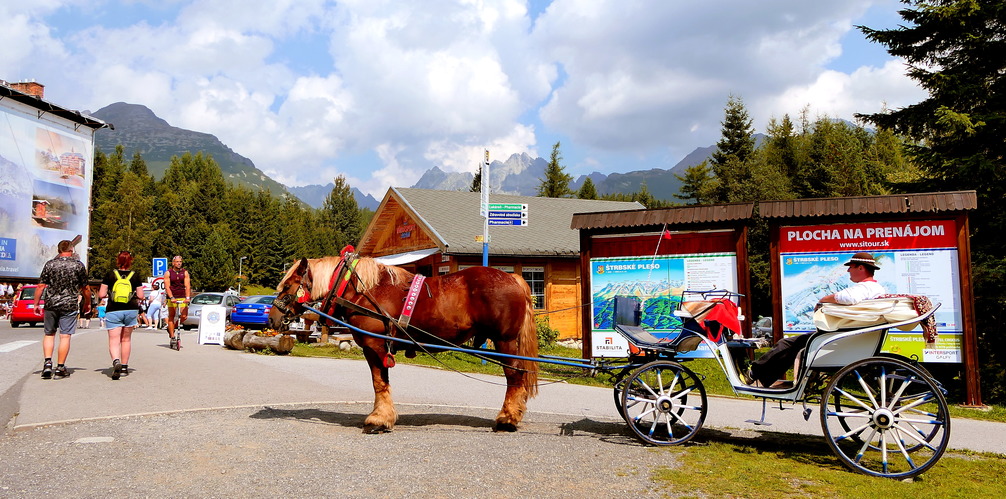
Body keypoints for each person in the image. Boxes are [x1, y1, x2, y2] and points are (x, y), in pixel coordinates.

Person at [748, 252, 887, 388]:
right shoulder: (878, 288)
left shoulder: (864, 287)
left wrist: (823, 300)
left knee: (786, 344)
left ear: (861, 268)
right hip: (853, 335)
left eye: (851, 266)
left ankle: (754, 373)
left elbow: (848, 298)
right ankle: (765, 379)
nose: (848, 270)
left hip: (841, 337)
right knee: (794, 344)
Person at [34, 239, 89, 379]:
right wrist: (87, 302)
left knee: (49, 334)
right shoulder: (78, 265)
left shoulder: (50, 264)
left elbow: (41, 286)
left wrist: (36, 304)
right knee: (65, 336)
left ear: (58, 250)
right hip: (69, 304)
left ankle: (47, 363)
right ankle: (60, 367)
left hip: (51, 304)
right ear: (72, 250)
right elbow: (85, 288)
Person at [98, 251, 145, 380]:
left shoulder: (110, 274)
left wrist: (110, 294)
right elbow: (141, 296)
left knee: (114, 340)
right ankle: (124, 367)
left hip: (113, 309)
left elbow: (101, 294)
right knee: (126, 339)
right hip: (130, 309)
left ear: (118, 260)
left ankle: (116, 361)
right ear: (130, 261)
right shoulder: (135, 276)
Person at [163, 255, 191, 350]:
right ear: (173, 263)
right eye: (177, 262)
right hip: (172, 296)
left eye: (180, 262)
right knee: (172, 315)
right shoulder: (168, 273)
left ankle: (171, 327)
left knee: (184, 316)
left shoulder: (185, 272)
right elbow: (167, 287)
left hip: (182, 295)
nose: (179, 263)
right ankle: (172, 336)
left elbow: (187, 285)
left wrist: (187, 297)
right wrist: (171, 297)